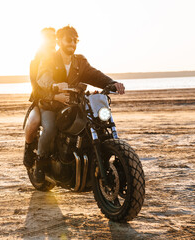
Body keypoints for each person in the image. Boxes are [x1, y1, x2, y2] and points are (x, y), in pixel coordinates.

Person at [33, 25, 125, 183]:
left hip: (74, 104)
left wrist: (112, 83)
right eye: (68, 40)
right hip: (51, 104)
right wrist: (54, 86)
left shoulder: (80, 61)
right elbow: (43, 77)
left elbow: (94, 75)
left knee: (96, 124)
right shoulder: (49, 59)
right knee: (49, 129)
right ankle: (40, 163)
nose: (72, 44)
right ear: (60, 41)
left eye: (75, 41)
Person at [23, 27, 56, 169]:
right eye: (48, 38)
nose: (51, 41)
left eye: (53, 38)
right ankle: (29, 149)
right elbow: (37, 86)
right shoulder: (35, 62)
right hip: (41, 100)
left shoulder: (60, 57)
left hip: (62, 101)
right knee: (35, 121)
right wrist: (52, 95)